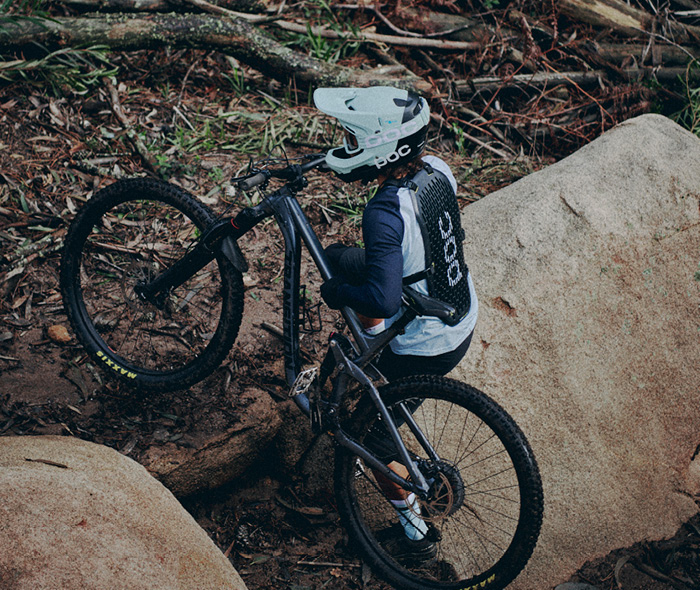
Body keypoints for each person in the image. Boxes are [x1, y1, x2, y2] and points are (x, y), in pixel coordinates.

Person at [313, 86, 479, 561]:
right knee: (342, 259)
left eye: (351, 139)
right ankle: (371, 363)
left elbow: (381, 300)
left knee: (368, 439)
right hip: (458, 309)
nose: (345, 145)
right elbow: (425, 239)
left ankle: (416, 532)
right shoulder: (436, 170)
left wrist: (336, 292)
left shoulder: (382, 213)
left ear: (380, 148)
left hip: (427, 343)